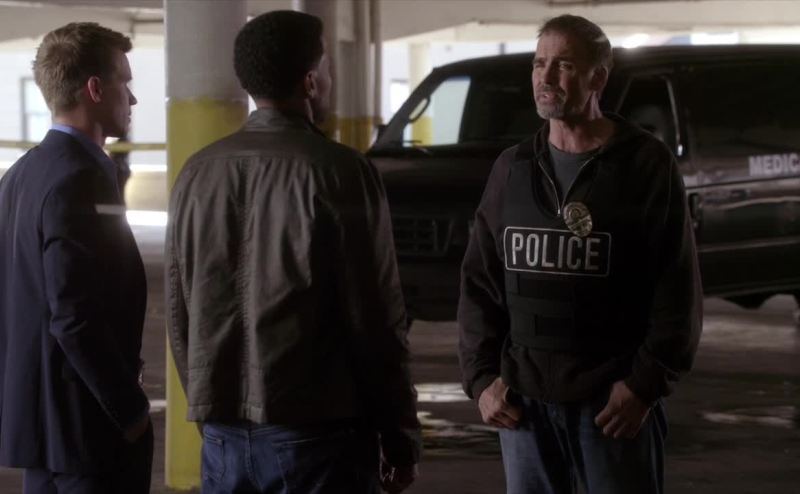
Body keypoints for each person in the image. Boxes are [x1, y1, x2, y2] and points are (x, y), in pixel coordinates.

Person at [166, 10, 420, 494]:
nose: (329, 79)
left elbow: (181, 314)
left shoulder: (196, 173)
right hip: (317, 434)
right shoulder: (339, 171)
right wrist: (399, 434)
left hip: (222, 434)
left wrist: (210, 406)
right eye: (327, 67)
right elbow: (374, 316)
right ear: (310, 81)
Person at [458, 14, 702, 494]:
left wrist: (643, 386)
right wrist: (482, 379)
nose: (545, 78)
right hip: (523, 406)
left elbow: (677, 290)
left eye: (564, 65)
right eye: (539, 63)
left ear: (598, 78)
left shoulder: (644, 165)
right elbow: (479, 283)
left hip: (611, 406)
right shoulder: (513, 168)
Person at [0, 23, 152, 494]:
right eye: (125, 83)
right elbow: (74, 316)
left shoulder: (20, 174)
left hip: (41, 431)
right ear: (95, 89)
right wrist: (129, 410)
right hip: (88, 431)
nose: (133, 99)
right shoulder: (80, 178)